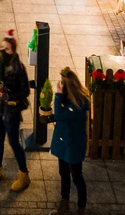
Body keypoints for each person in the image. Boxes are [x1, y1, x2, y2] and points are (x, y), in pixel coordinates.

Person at [0, 30, 31, 192]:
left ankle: (24, 174)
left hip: (11, 109)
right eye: (2, 47)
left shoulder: (18, 68)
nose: (3, 51)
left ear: (13, 50)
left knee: (13, 141)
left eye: (7, 49)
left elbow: (25, 91)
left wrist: (7, 93)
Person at [51, 68, 90, 215]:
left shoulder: (77, 105)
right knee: (63, 173)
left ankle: (81, 208)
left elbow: (62, 116)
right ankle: (64, 203)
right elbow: (61, 116)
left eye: (62, 84)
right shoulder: (71, 102)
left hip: (72, 145)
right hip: (65, 143)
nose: (60, 86)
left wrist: (57, 96)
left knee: (77, 177)